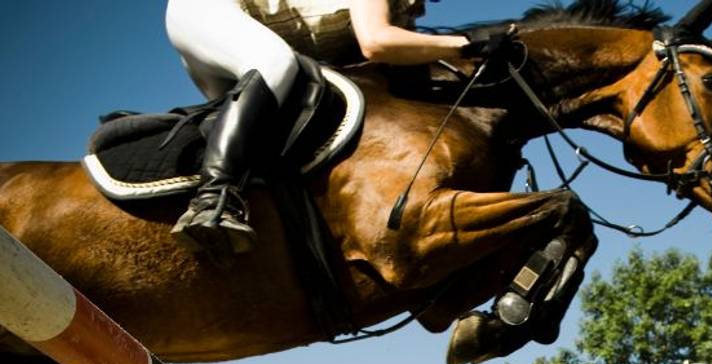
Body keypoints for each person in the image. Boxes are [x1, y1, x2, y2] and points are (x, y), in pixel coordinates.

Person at [164, 0, 505, 255]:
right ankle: (212, 199)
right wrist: (465, 43)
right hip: (207, 12)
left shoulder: (403, 15)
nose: (425, 9)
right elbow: (376, 42)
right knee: (275, 65)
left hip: (244, 42)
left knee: (272, 136)